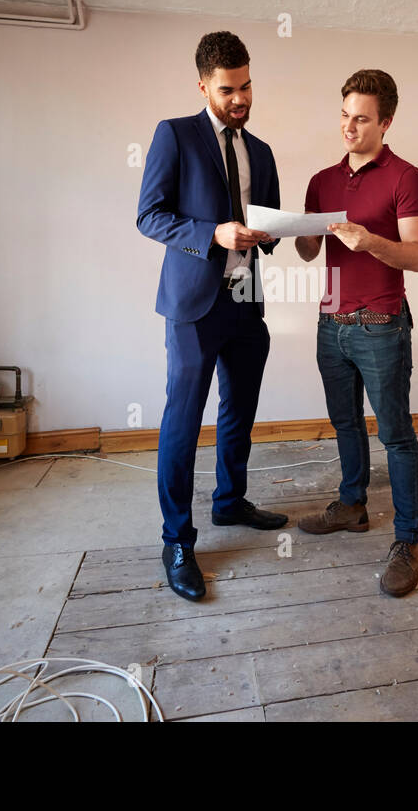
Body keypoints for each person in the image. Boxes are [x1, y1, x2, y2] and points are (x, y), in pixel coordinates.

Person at [136, 31, 288, 602]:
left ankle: (230, 501)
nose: (240, 98)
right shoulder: (174, 135)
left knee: (240, 408)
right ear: (203, 86)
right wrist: (212, 233)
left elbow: (266, 225)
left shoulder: (263, 152)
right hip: (193, 305)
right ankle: (177, 539)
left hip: (247, 297)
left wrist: (273, 233)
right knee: (183, 420)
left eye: (247, 86)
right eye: (228, 89)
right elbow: (149, 216)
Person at [294, 69, 418, 597]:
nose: (349, 127)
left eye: (361, 119)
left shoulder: (407, 177)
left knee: (395, 434)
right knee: (345, 424)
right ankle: (352, 506)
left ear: (386, 121)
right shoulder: (322, 180)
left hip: (381, 326)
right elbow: (310, 251)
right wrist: (299, 234)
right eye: (344, 116)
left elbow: (417, 257)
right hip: (331, 325)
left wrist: (370, 241)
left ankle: (408, 539)